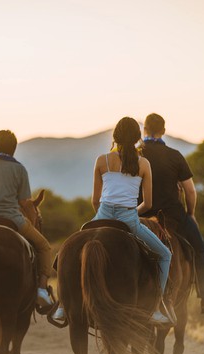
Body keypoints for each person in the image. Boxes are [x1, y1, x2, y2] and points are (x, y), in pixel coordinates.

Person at [52, 117, 174, 325]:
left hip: (102, 215)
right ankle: (155, 307)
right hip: (129, 219)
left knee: (65, 252)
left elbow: (94, 200)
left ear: (115, 136)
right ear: (137, 138)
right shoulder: (143, 164)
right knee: (165, 255)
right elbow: (148, 203)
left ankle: (63, 306)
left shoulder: (102, 160)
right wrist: (130, 212)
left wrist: (103, 214)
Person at [139, 113, 204, 314]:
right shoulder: (175, 155)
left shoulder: (135, 155)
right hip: (172, 217)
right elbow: (190, 191)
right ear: (164, 131)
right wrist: (190, 213)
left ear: (144, 130)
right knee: (200, 248)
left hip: (139, 215)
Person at [0, 129, 54, 309]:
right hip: (12, 218)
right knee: (44, 247)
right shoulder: (19, 169)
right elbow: (24, 202)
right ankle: (41, 290)